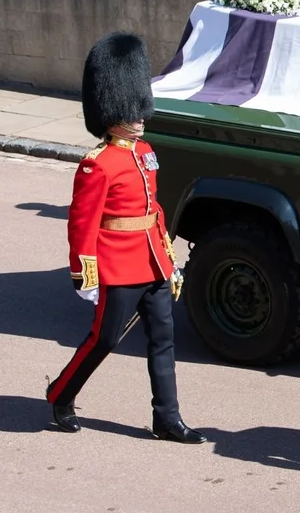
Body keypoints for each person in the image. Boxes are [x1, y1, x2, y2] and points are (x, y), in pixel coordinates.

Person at [44, 31, 207, 445]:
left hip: (151, 262)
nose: (139, 118)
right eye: (130, 112)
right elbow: (82, 223)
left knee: (163, 341)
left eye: (139, 111)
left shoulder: (145, 151)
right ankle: (61, 394)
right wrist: (86, 274)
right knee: (106, 339)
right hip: (117, 266)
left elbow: (154, 211)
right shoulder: (96, 165)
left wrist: (167, 262)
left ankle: (167, 419)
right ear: (110, 111)